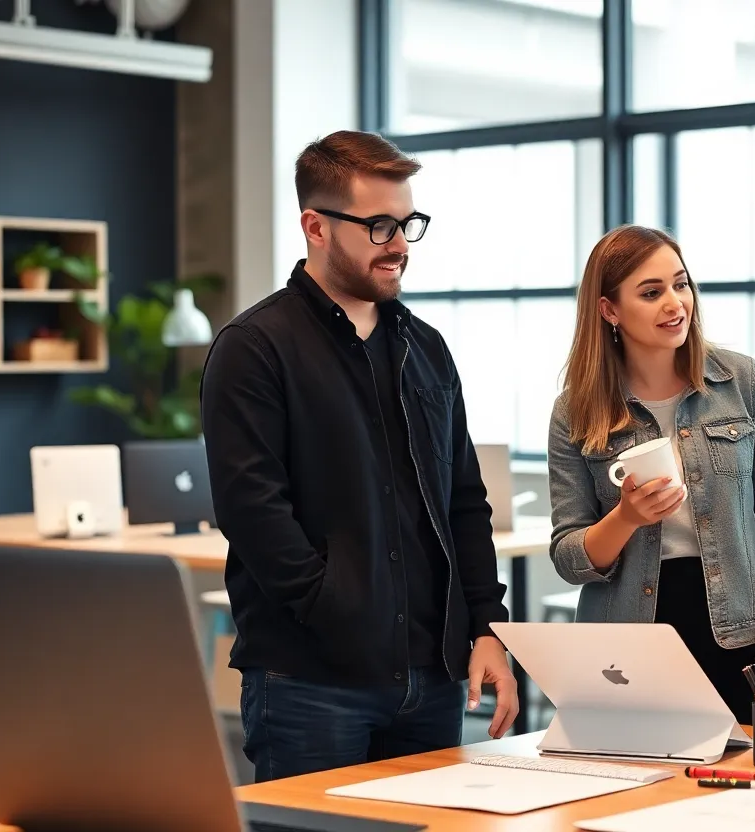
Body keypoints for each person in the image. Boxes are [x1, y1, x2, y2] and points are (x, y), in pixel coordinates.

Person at [200, 129, 518, 783]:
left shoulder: (425, 348)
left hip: (432, 681)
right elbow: (253, 510)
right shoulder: (254, 348)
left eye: (407, 224)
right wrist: (335, 609)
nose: (399, 244)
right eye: (379, 226)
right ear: (315, 226)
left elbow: (464, 498)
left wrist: (488, 627)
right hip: (311, 684)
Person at [546, 224, 755, 726]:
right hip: (629, 637)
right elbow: (569, 556)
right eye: (651, 292)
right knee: (634, 789)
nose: (675, 303)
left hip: (739, 627)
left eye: (681, 284)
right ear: (609, 311)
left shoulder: (741, 381)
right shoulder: (575, 412)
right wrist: (625, 517)